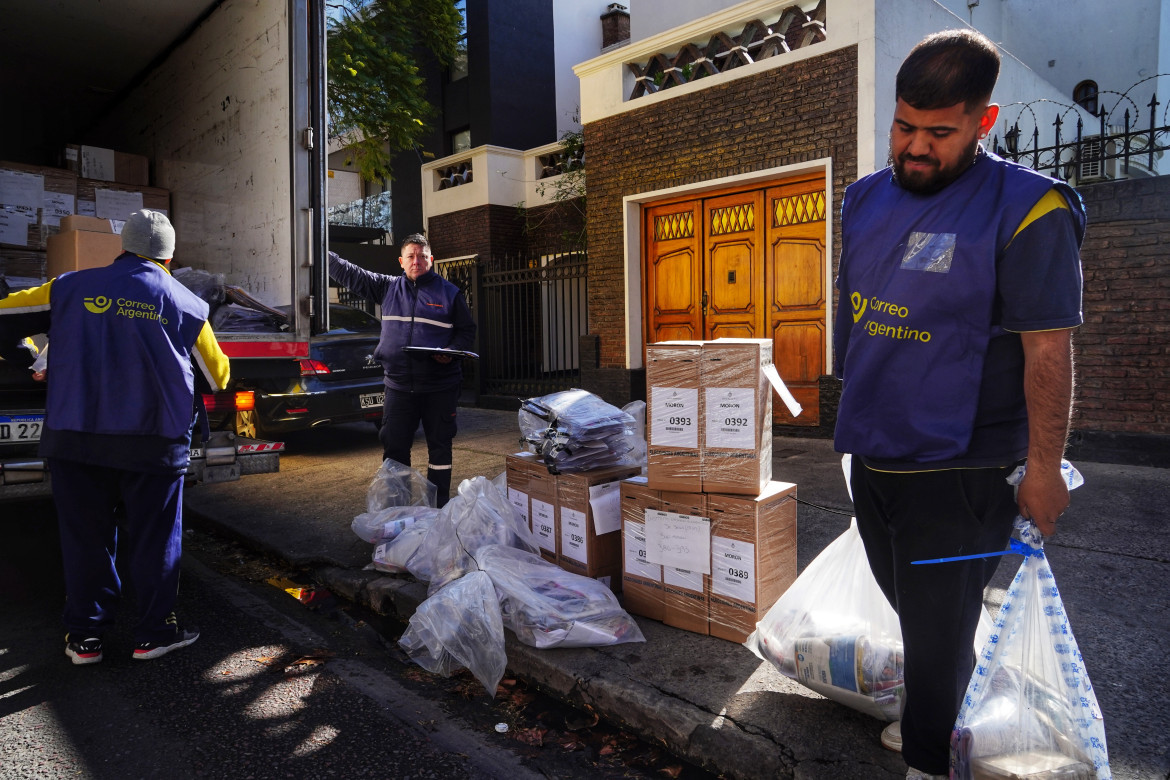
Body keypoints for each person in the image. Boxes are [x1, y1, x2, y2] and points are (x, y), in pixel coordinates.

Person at [831, 29, 1086, 778]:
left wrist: (1042, 470)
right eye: (903, 126)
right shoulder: (865, 197)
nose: (914, 147)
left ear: (986, 120)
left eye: (939, 133)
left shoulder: (1030, 210)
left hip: (963, 468)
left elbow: (1049, 352)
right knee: (923, 619)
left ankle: (929, 761)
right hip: (876, 454)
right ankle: (942, 719)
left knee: (938, 635)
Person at [0, 209, 231, 664]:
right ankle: (154, 633)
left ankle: (86, 637)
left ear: (121, 247)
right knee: (156, 536)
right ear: (169, 256)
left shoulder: (67, 287)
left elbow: (4, 314)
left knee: (86, 537)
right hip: (153, 441)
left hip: (76, 436)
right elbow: (216, 376)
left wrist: (30, 357)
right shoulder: (188, 305)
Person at [328, 233, 476, 506]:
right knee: (395, 450)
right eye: (411, 256)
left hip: (439, 387)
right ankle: (398, 511)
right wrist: (321, 253)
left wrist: (451, 353)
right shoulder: (387, 288)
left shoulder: (450, 294)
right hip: (398, 387)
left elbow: (466, 333)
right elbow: (352, 274)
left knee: (440, 449)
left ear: (431, 259)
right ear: (401, 261)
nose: (416, 261)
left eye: (422, 256)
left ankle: (438, 508)